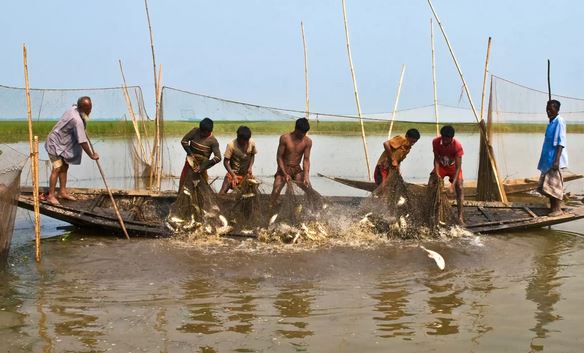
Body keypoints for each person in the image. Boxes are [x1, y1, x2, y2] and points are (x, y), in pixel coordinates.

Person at [44, 96, 99, 205]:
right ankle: (50, 196)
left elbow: (74, 104)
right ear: (82, 108)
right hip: (54, 144)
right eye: (88, 108)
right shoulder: (77, 121)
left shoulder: (75, 108)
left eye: (91, 107)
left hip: (62, 146)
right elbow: (82, 141)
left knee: (65, 166)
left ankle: (62, 192)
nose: (90, 110)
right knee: (57, 167)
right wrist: (92, 155)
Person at [270, 117, 312, 205]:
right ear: (296, 129)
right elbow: (279, 157)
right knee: (276, 190)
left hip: (296, 169)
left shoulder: (307, 141)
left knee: (308, 188)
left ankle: (313, 208)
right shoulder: (285, 138)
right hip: (283, 169)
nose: (303, 135)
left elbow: (306, 160)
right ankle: (272, 207)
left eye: (305, 133)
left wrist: (306, 176)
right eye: (301, 132)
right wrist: (285, 174)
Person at [537, 99, 568, 216]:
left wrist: (556, 161)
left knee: (554, 185)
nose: (548, 112)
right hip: (547, 159)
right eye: (547, 109)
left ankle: (557, 210)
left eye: (551, 109)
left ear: (557, 110)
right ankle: (552, 208)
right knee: (547, 186)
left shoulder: (560, 121)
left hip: (554, 159)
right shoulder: (551, 122)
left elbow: (561, 143)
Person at [429, 125, 464, 224]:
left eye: (447, 140)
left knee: (460, 187)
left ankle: (460, 216)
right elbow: (436, 159)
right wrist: (436, 173)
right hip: (441, 166)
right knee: (431, 183)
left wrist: (452, 185)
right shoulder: (435, 142)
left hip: (453, 168)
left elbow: (458, 167)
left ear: (451, 138)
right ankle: (432, 212)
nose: (445, 141)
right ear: (441, 136)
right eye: (443, 139)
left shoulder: (457, 145)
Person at [179, 117, 221, 189]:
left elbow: (218, 158)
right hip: (190, 161)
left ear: (210, 131)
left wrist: (204, 166)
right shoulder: (195, 131)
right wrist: (190, 154)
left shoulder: (213, 141)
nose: (201, 133)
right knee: (184, 183)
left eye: (204, 132)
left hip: (202, 165)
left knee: (201, 187)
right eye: (201, 131)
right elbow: (184, 141)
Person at [219, 126, 257, 193]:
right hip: (233, 173)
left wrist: (250, 167)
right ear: (238, 137)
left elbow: (252, 155)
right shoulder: (231, 145)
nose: (245, 143)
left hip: (246, 174)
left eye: (246, 141)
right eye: (243, 141)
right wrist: (233, 175)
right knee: (223, 191)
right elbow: (225, 162)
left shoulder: (252, 143)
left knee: (250, 193)